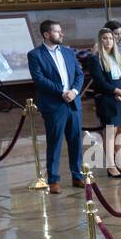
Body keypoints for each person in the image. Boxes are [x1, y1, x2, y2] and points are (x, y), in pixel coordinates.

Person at [26, 19, 84, 194]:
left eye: (61, 30)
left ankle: (77, 176)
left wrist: (73, 91)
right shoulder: (35, 55)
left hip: (73, 102)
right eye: (58, 31)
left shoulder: (68, 52)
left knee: (76, 141)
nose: (62, 34)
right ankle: (53, 180)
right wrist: (62, 91)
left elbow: (79, 74)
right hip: (54, 105)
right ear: (47, 34)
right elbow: (39, 79)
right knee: (55, 142)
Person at [91, 27, 121, 179]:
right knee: (110, 134)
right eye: (105, 38)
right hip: (108, 99)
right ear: (100, 40)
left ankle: (120, 163)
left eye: (110, 38)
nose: (108, 41)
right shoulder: (96, 58)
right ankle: (111, 166)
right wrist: (118, 91)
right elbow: (100, 82)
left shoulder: (119, 57)